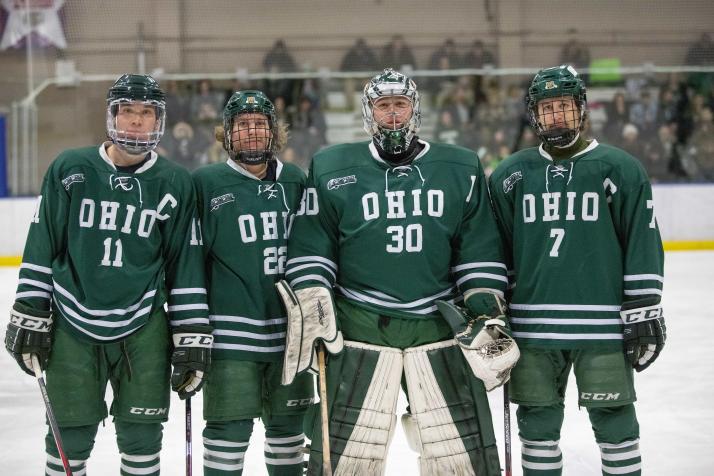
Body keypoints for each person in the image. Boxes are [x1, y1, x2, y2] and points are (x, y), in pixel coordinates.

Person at [278, 68, 517, 475]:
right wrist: (315, 298)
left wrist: (486, 313)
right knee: (348, 459)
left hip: (439, 328)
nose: (392, 115)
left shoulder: (459, 167)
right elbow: (313, 244)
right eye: (383, 105)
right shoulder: (331, 166)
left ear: (415, 110)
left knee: (458, 458)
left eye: (400, 105)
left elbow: (477, 250)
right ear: (369, 113)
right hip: (361, 328)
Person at [4, 74, 212, 475]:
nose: (137, 121)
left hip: (144, 327)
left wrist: (191, 333)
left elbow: (183, 264)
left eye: (147, 113)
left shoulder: (174, 183)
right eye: (128, 111)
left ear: (159, 121)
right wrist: (30, 309)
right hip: (71, 322)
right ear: (112, 115)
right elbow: (42, 243)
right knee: (70, 436)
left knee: (142, 436)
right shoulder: (71, 169)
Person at [488, 65, 666, 476]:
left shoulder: (618, 168)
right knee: (537, 426)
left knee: (616, 423)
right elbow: (496, 248)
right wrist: (493, 305)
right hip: (533, 328)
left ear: (581, 109)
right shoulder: (511, 175)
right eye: (547, 109)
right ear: (534, 115)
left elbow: (642, 237)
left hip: (601, 326)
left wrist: (644, 306)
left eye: (564, 107)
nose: (556, 118)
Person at [192, 90, 313, 475]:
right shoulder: (205, 184)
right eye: (242, 125)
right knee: (228, 434)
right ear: (226, 133)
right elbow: (189, 262)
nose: (251, 131)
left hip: (292, 339)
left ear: (275, 132)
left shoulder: (297, 180)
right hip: (230, 337)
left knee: (289, 434)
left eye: (260, 124)